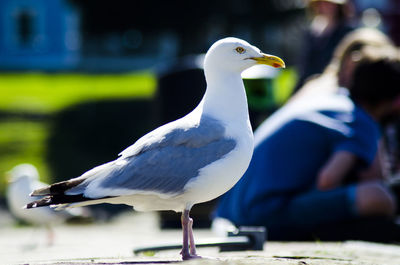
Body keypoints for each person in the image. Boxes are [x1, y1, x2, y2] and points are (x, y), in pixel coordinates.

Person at [213, 46, 400, 241]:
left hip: (230, 212)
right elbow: (327, 180)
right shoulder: (360, 121)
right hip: (261, 213)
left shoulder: (332, 102)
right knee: (377, 196)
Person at [294, 0, 355, 92]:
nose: (324, 7)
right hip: (310, 87)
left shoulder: (347, 33)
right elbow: (305, 67)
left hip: (334, 87)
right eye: (320, 3)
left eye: (328, 4)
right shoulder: (312, 33)